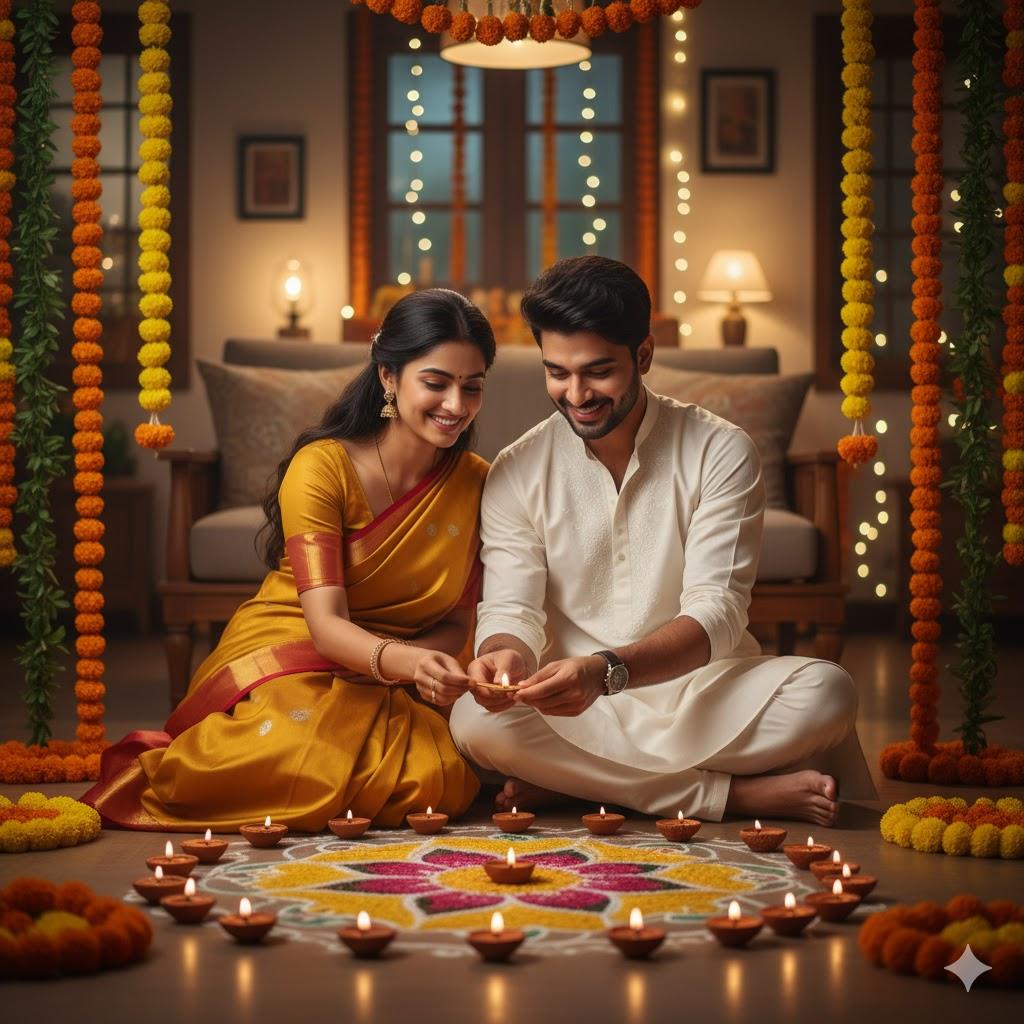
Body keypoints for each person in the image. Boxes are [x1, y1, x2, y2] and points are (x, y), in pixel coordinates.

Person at [449, 256, 877, 828]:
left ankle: (573, 783)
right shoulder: (516, 471)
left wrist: (606, 671)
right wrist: (506, 656)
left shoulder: (720, 451)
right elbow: (511, 610)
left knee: (828, 693)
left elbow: (717, 613)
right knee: (474, 722)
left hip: (701, 694)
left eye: (597, 371)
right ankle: (731, 797)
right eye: (558, 372)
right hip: (572, 706)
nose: (576, 394)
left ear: (643, 356)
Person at [84, 289, 494, 831]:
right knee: (285, 757)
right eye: (436, 383)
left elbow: (456, 622)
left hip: (404, 674)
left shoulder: (477, 482)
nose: (456, 406)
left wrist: (428, 667)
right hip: (296, 647)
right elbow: (326, 626)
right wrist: (410, 663)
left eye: (472, 387)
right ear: (389, 376)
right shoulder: (323, 467)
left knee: (435, 777)